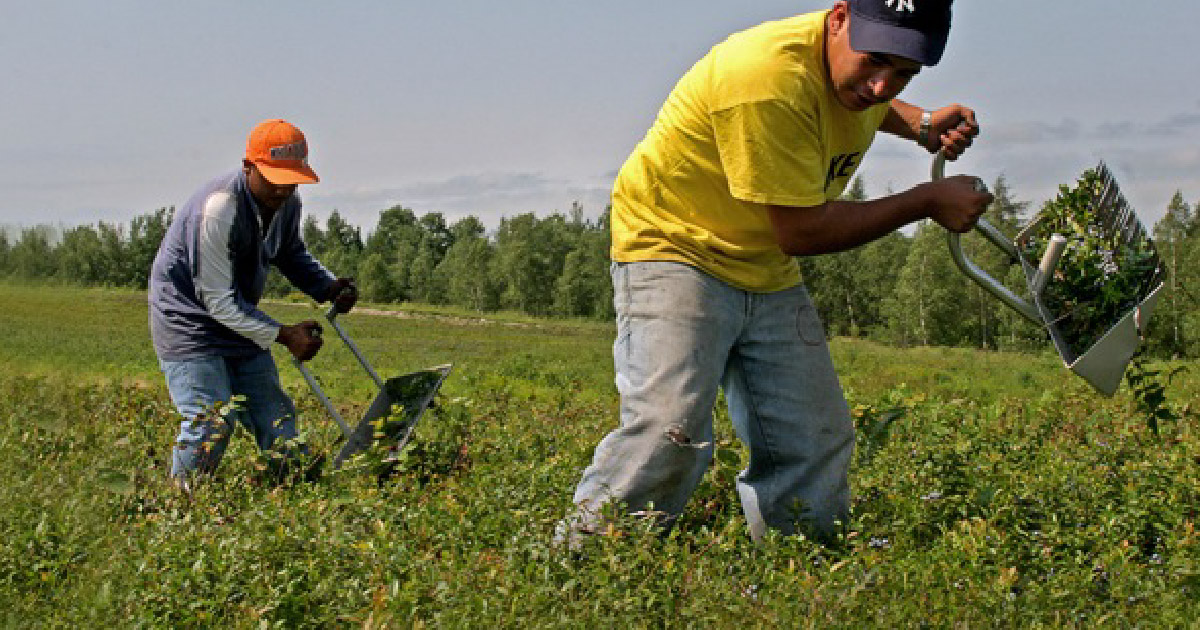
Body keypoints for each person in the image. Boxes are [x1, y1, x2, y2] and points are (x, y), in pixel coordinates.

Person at [561, 0, 992, 544]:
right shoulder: (763, 78)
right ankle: (580, 570)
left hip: (762, 261)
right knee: (669, 431)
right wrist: (926, 200)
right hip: (675, 245)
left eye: (905, 72)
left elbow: (866, 98)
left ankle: (803, 578)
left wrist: (921, 123)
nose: (884, 85)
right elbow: (804, 232)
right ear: (838, 18)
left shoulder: (850, 71)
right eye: (875, 59)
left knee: (812, 436)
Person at [148, 118, 358, 484]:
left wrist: (327, 288)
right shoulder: (219, 209)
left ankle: (295, 492)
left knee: (275, 415)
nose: (283, 189)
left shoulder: (287, 202)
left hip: (238, 317)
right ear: (249, 167)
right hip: (189, 322)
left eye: (291, 179)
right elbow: (215, 301)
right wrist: (284, 334)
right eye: (274, 178)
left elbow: (290, 253)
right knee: (211, 421)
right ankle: (181, 507)